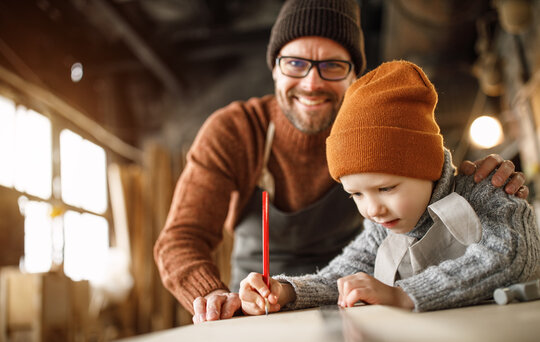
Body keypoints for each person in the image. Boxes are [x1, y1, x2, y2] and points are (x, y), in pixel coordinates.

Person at [154, 0, 529, 324]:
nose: (312, 82)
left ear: (353, 75)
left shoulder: (387, 133)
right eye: (295, 63)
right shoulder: (235, 132)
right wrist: (223, 298)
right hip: (270, 302)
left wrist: (401, 292)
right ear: (274, 68)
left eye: (332, 66)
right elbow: (180, 239)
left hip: (364, 302)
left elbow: (500, 246)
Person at [239, 61, 540, 315]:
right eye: (356, 194)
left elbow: (509, 257)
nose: (372, 209)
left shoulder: (484, 194)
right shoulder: (382, 228)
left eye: (386, 188)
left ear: (429, 168)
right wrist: (286, 291)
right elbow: (342, 277)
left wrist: (402, 295)